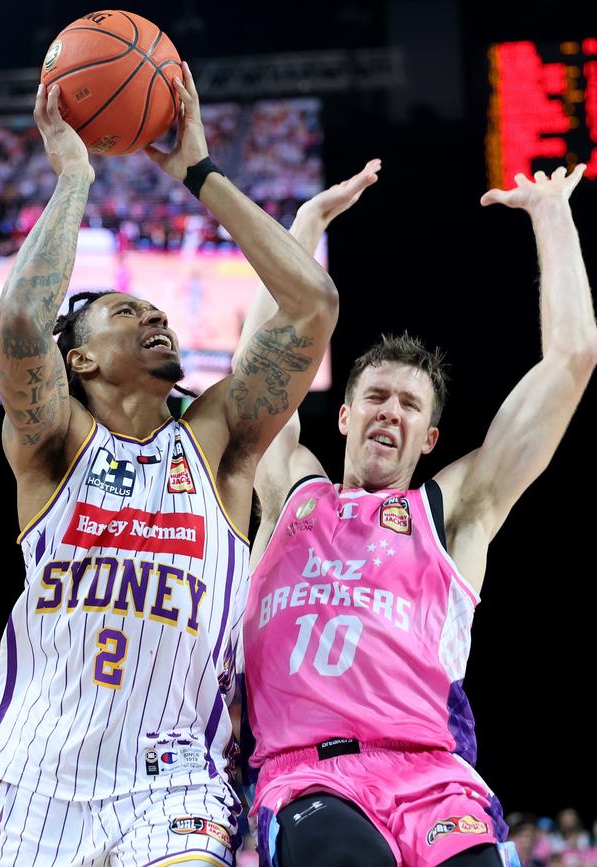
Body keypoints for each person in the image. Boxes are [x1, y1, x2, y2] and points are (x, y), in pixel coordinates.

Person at [0, 63, 339, 867]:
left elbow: (312, 304)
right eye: (127, 311)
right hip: (36, 781)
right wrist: (75, 173)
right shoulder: (51, 444)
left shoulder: (216, 440)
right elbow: (20, 317)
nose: (154, 315)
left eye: (154, 309)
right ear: (81, 362)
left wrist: (199, 171)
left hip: (173, 782)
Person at [237, 163, 596, 867]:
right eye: (375, 396)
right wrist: (304, 229)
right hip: (309, 776)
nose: (389, 412)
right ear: (342, 416)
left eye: (409, 405)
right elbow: (259, 370)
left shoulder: (454, 510)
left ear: (429, 438)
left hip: (435, 776)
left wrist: (551, 213)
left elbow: (573, 358)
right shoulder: (289, 491)